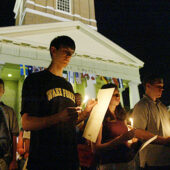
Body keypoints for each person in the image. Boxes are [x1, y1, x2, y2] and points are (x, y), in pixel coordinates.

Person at [21, 35, 97, 170]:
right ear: (53, 50)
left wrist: (85, 113)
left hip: (69, 160)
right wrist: (58, 117)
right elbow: (27, 123)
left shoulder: (68, 85)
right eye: (65, 51)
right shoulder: (35, 80)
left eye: (71, 54)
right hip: (44, 160)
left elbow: (68, 122)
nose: (68, 56)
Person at [92, 83, 137, 170]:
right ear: (105, 96)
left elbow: (125, 142)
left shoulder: (121, 115)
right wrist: (120, 139)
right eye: (114, 94)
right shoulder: (98, 116)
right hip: (110, 164)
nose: (118, 96)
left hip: (127, 161)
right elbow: (95, 149)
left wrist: (132, 141)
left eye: (118, 94)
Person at [133, 74, 170, 170]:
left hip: (166, 159)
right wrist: (164, 141)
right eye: (159, 86)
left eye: (162, 87)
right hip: (151, 161)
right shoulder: (141, 106)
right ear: (148, 86)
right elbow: (138, 132)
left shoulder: (163, 107)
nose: (162, 89)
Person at [0, 78, 19, 170]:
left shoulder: (9, 112)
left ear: (3, 91)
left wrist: (14, 160)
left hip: (5, 158)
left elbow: (14, 135)